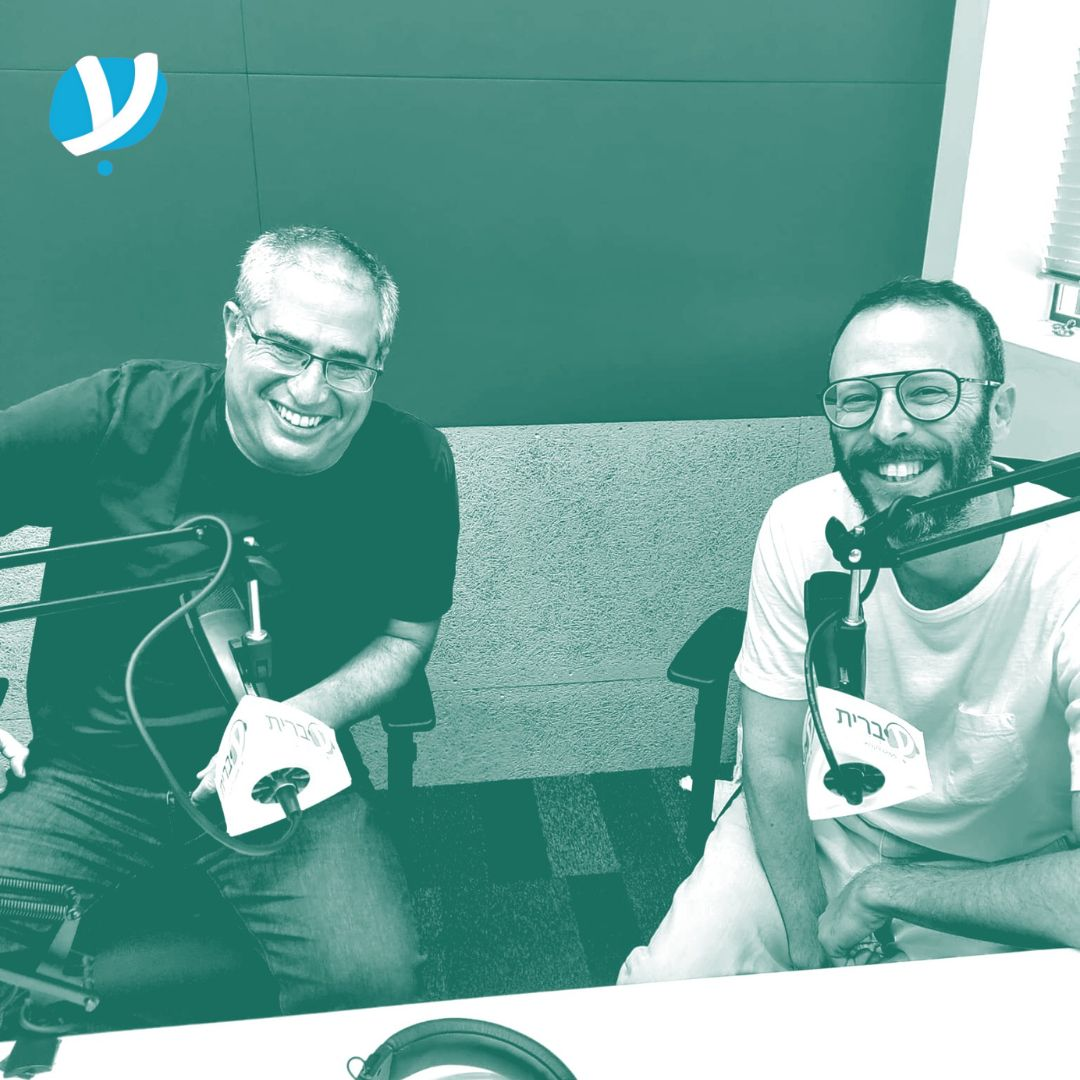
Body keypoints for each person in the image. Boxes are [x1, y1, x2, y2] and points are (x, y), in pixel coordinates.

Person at [0, 225, 460, 1016]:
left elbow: (406, 637)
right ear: (232, 328)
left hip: (283, 777)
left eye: (346, 362)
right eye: (285, 347)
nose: (310, 390)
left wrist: (301, 719)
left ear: (377, 364)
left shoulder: (411, 461)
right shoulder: (119, 415)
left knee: (371, 981)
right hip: (89, 779)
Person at [619, 277, 1080, 981]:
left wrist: (889, 891)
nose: (888, 427)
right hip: (824, 830)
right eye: (857, 398)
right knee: (666, 989)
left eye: (928, 392)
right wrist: (809, 939)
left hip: (997, 876)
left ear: (1000, 411)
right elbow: (772, 753)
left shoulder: (1066, 568)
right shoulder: (803, 523)